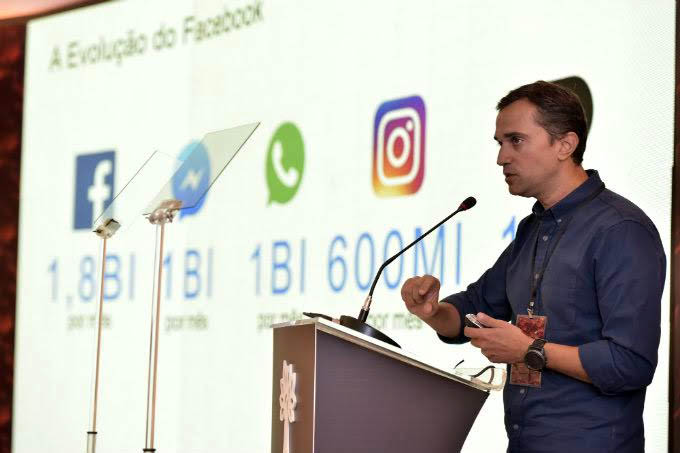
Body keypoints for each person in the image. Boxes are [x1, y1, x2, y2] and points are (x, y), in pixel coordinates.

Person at [400, 81, 666, 453]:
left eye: (516, 141)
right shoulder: (534, 228)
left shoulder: (620, 230)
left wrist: (530, 350)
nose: (501, 157)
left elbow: (630, 363)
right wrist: (432, 311)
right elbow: (473, 310)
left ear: (565, 145)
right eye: (499, 143)